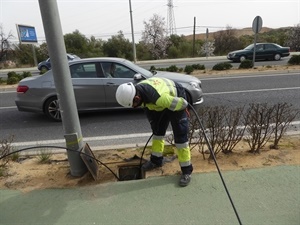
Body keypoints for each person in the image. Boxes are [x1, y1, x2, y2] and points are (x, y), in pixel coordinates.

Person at [115, 77, 193, 187]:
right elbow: (147, 105)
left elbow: (183, 104)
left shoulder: (160, 98)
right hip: (155, 104)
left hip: (175, 98)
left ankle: (186, 171)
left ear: (137, 98)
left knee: (180, 137)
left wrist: (184, 106)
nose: (134, 107)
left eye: (134, 105)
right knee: (157, 131)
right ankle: (156, 160)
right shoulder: (138, 94)